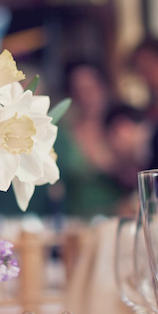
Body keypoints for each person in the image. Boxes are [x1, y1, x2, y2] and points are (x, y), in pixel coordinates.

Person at [53, 60, 124, 218]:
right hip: (76, 222)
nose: (87, 97)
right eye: (79, 90)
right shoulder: (62, 136)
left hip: (118, 218)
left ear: (104, 88)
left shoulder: (121, 129)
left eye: (92, 88)